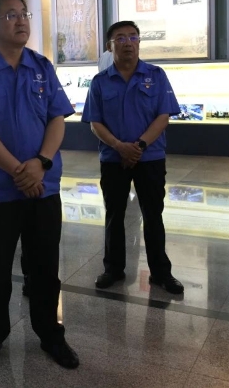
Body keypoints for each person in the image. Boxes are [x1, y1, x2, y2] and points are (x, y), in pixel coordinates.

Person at [0, 0, 79, 372]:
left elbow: (57, 118)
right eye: (11, 15)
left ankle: (50, 335)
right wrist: (18, 171)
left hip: (44, 187)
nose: (21, 20)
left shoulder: (41, 66)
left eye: (24, 13)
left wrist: (40, 163)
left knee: (45, 268)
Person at [81, 20, 184, 295]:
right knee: (114, 215)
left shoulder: (156, 75)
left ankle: (161, 273)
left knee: (153, 215)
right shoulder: (100, 82)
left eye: (133, 37)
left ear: (139, 42)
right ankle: (113, 269)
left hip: (150, 157)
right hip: (113, 158)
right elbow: (95, 122)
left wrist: (137, 146)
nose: (128, 43)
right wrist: (119, 146)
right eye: (121, 38)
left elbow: (163, 116)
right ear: (109, 46)